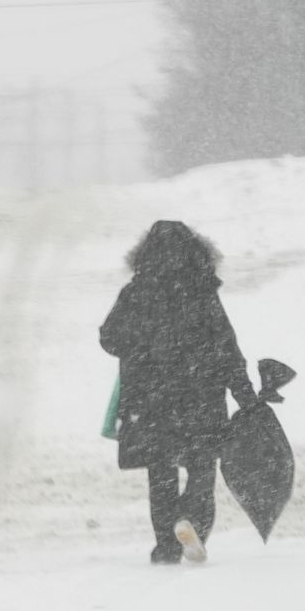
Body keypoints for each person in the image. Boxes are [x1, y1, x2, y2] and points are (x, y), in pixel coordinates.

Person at [99, 220, 258, 565]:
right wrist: (244, 393)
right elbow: (226, 346)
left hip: (150, 399)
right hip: (201, 396)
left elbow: (109, 337)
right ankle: (192, 520)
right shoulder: (202, 292)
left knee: (161, 473)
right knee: (202, 467)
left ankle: (166, 545)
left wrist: (142, 347)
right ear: (195, 251)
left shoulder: (136, 292)